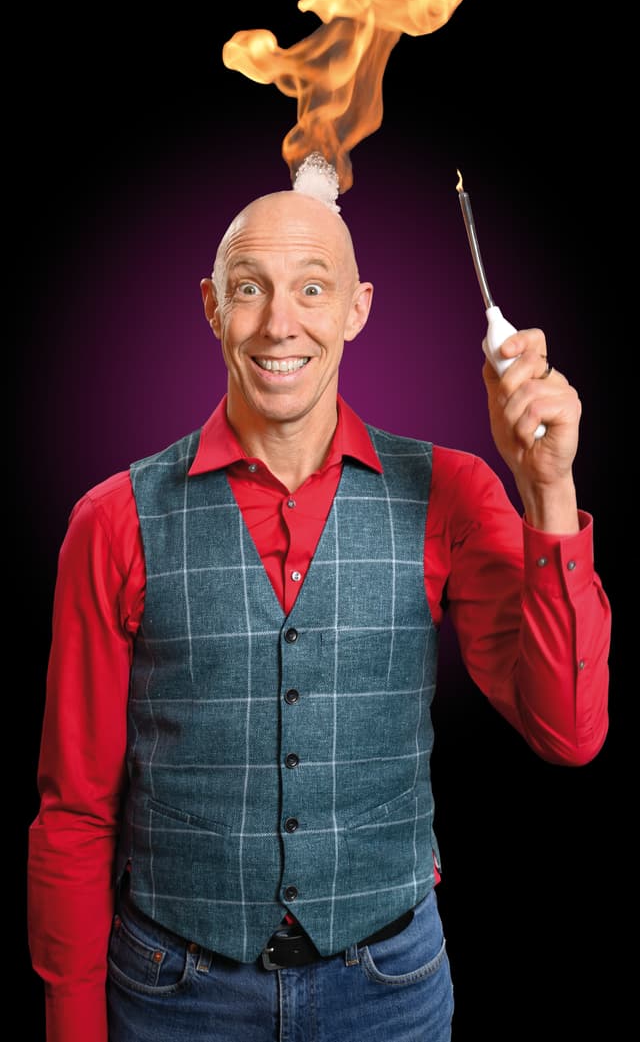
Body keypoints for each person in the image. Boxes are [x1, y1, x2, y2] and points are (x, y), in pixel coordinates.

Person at [27, 183, 611, 1042]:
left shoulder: (453, 493)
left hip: (390, 991)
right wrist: (71, 1023)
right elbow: (75, 810)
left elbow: (569, 731)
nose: (279, 324)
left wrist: (549, 489)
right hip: (173, 994)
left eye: (311, 286)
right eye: (249, 287)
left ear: (356, 308)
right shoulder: (113, 520)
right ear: (211, 307)